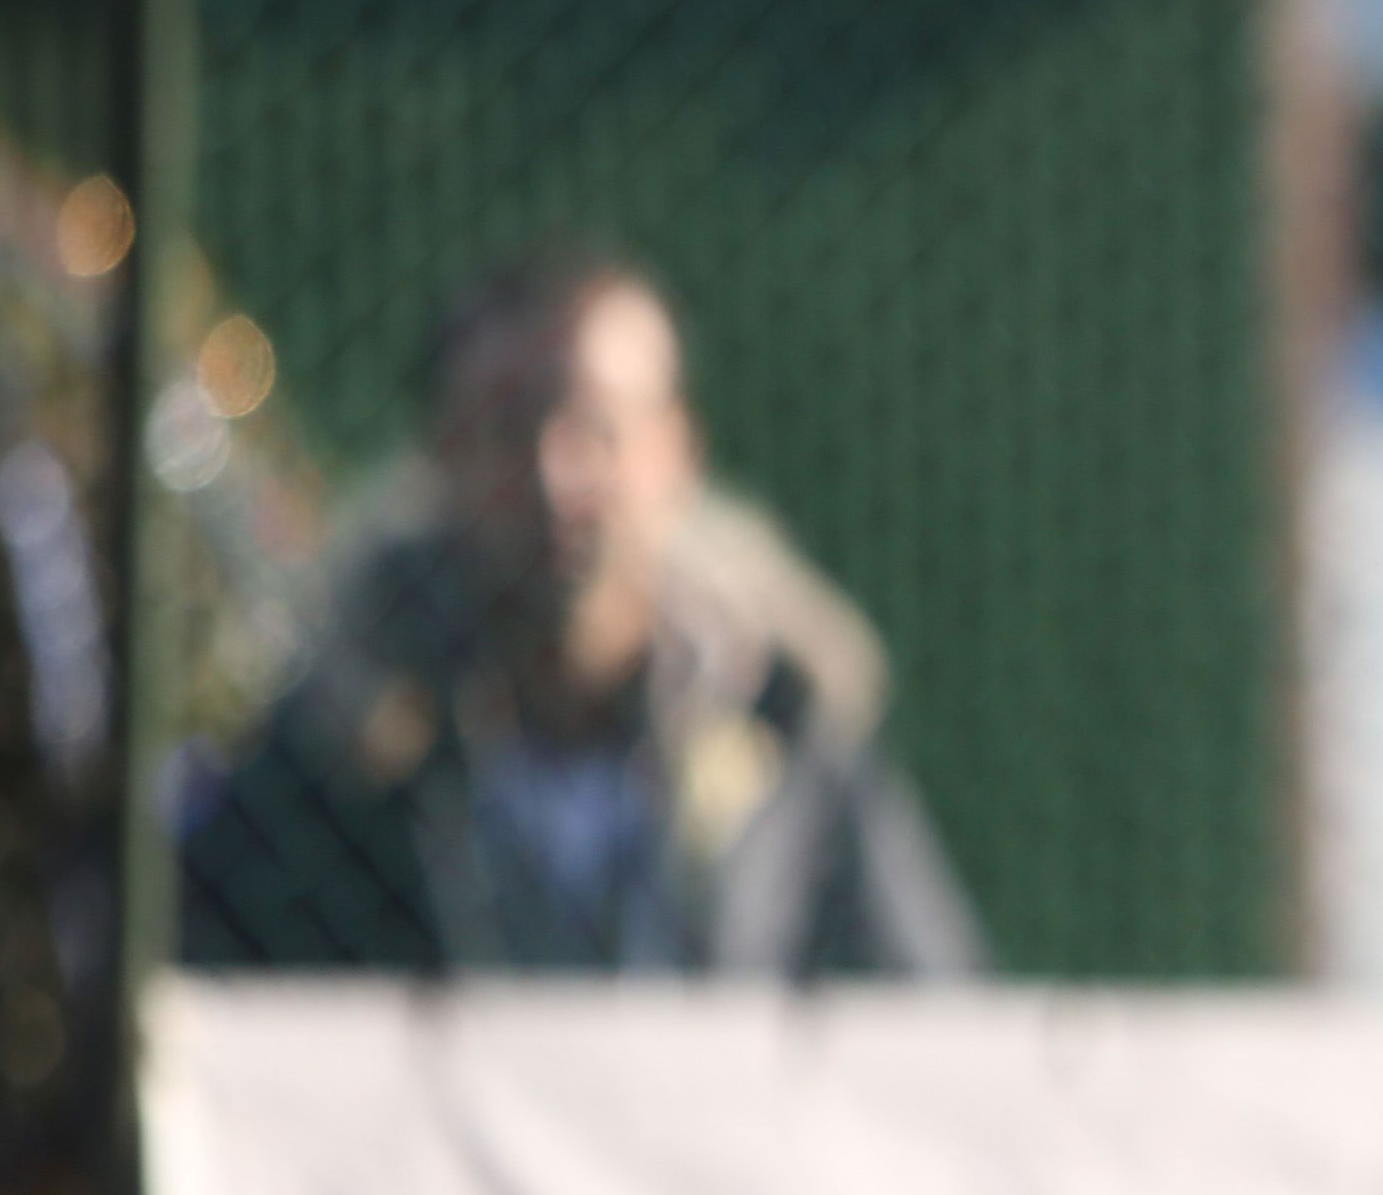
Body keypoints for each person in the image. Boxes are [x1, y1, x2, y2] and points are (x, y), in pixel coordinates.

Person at [180, 247, 987, 979]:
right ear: (440, 457)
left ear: (677, 450)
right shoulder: (320, 767)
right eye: (506, 428)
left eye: (598, 427)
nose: (555, 476)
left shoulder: (791, 732)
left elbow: (938, 1024)